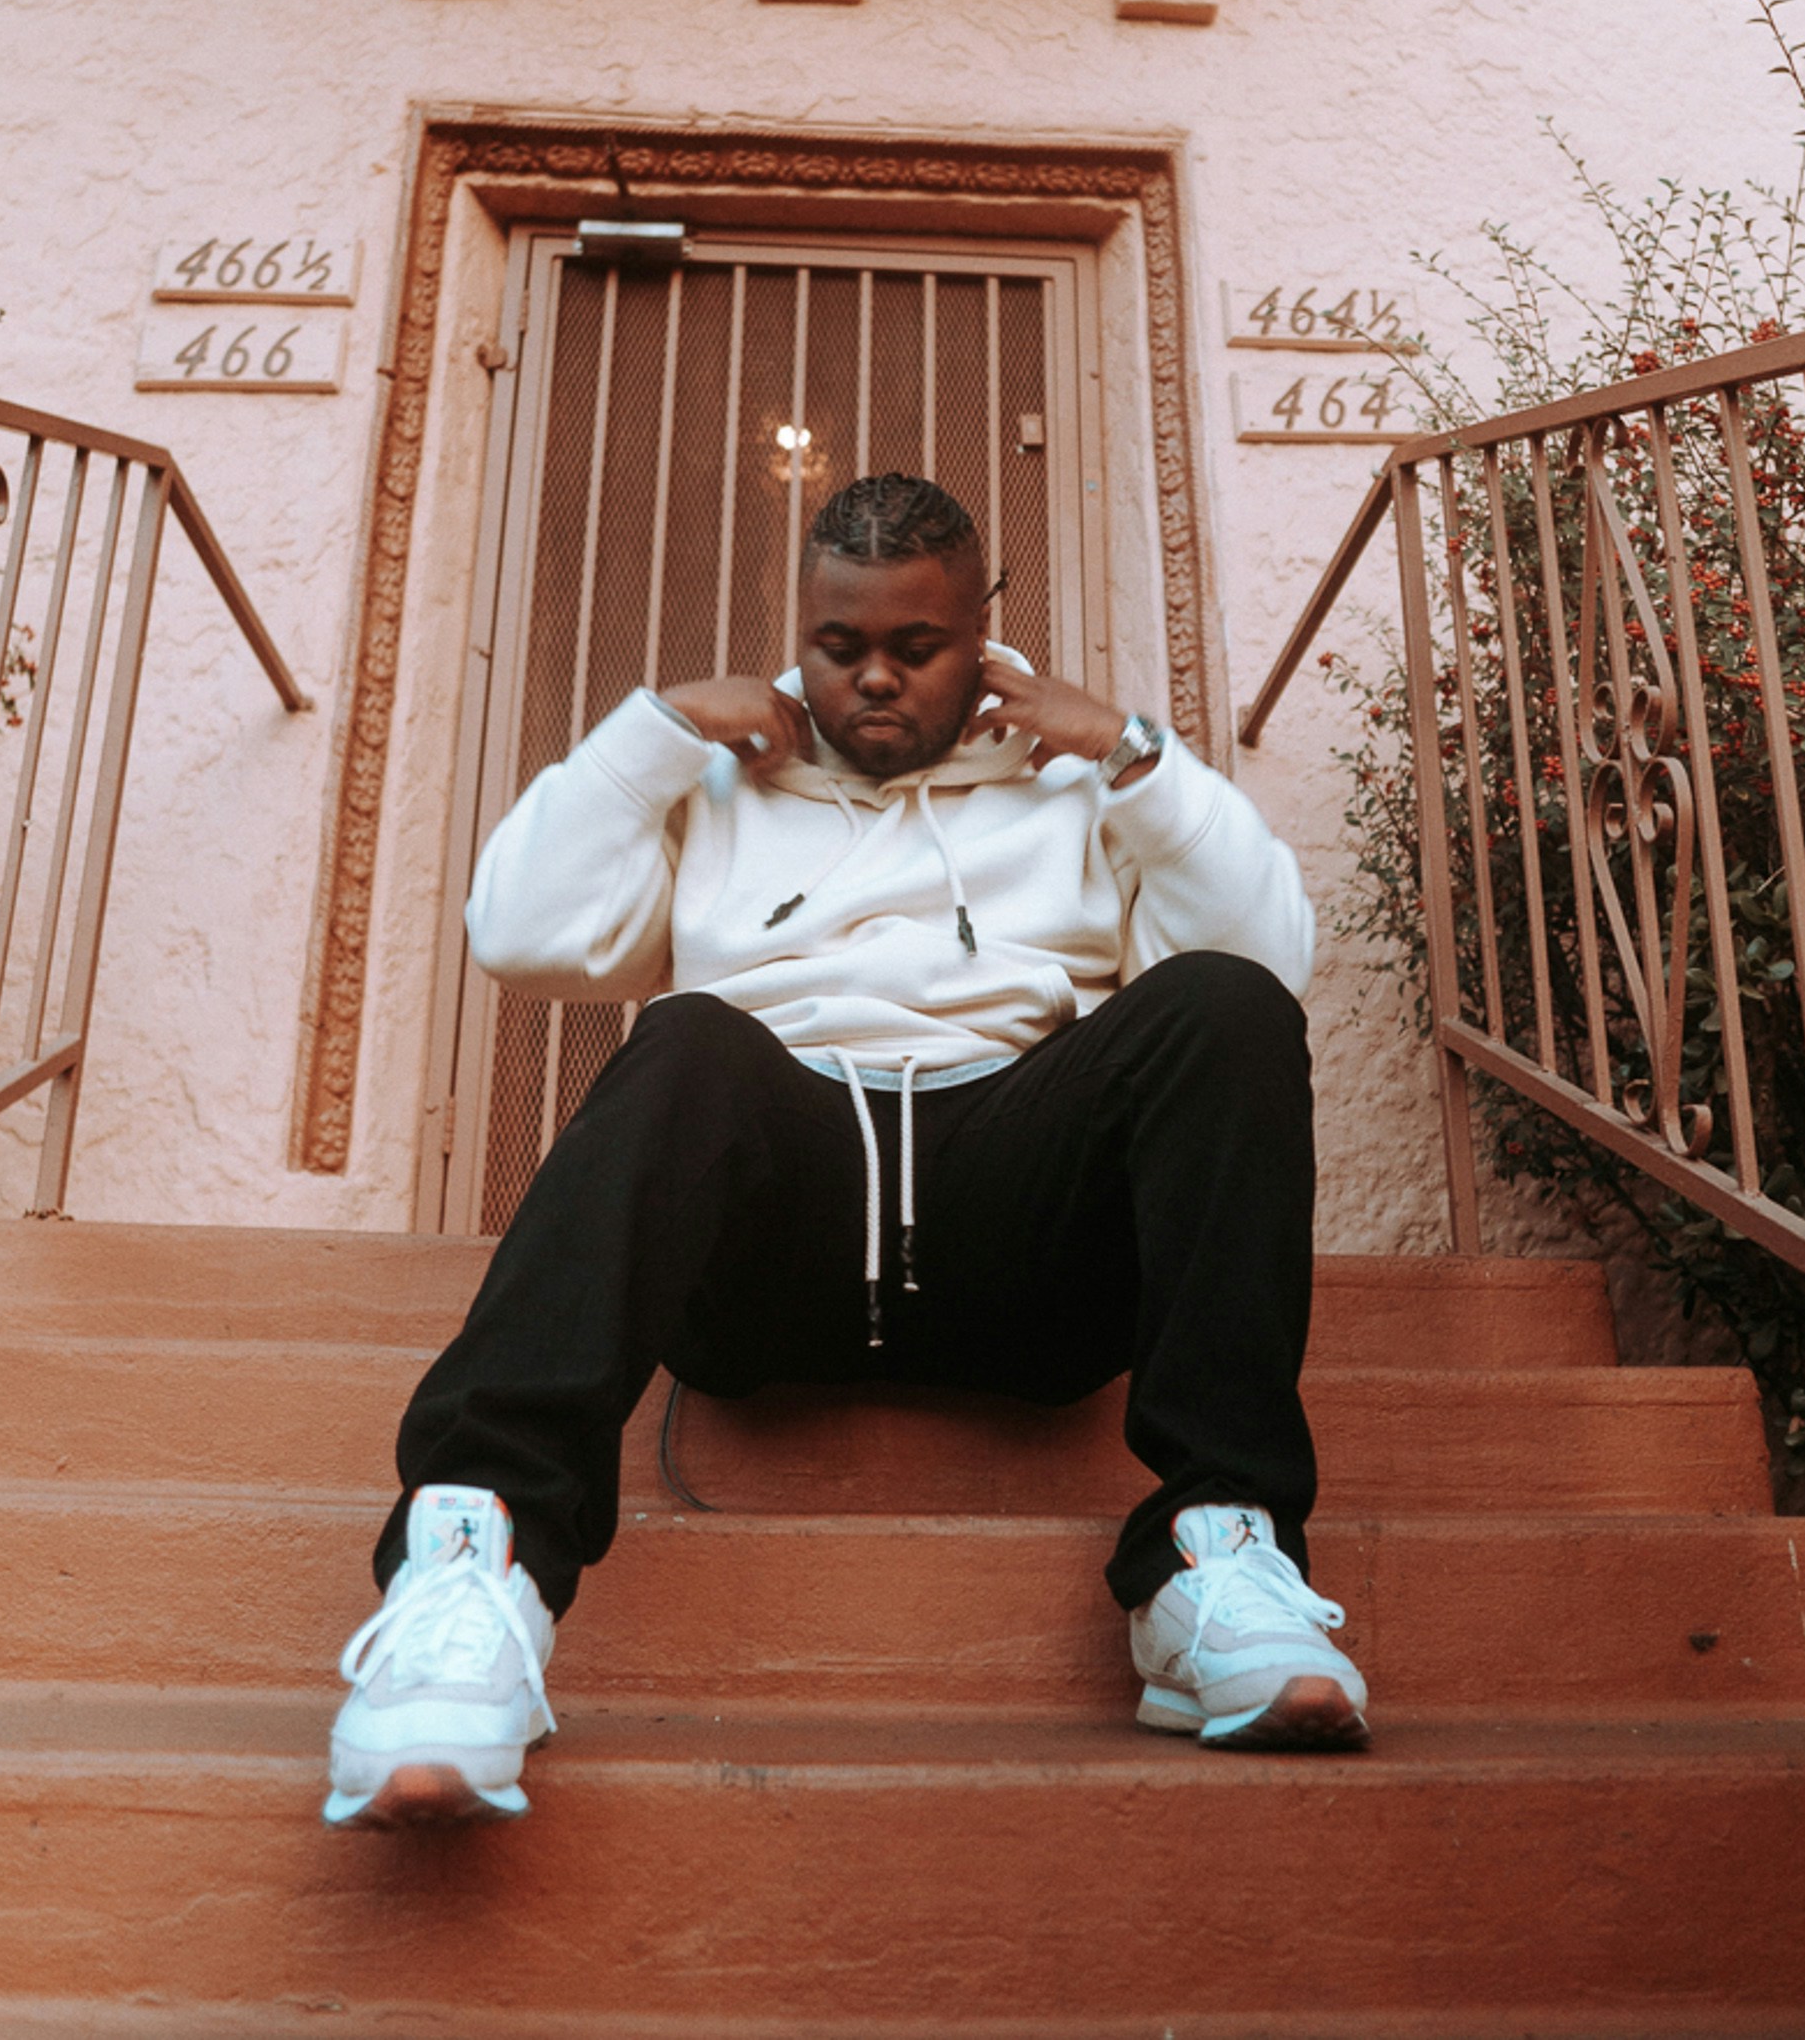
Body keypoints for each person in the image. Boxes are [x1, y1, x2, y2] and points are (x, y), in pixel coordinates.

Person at [324, 472, 1368, 1830]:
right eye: (840, 645)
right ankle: (474, 1570)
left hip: (1024, 1248)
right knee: (688, 1036)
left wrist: (1137, 759)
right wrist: (648, 739)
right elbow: (520, 935)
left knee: (1222, 1005)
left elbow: (1269, 962)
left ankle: (1218, 1559)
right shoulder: (715, 778)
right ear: (800, 630)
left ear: (983, 630)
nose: (874, 678)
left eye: (917, 647)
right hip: (775, 1247)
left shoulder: (1075, 781)